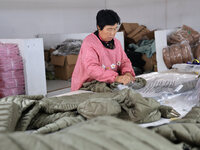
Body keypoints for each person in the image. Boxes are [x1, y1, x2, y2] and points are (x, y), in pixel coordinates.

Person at [71, 9, 135, 91]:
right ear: (99, 27)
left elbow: (124, 61)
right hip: (88, 84)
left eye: (115, 29)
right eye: (109, 29)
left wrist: (127, 73)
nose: (112, 33)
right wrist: (116, 78)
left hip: (108, 81)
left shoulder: (116, 43)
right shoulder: (89, 43)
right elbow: (92, 68)